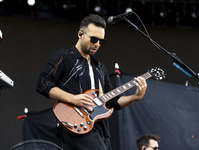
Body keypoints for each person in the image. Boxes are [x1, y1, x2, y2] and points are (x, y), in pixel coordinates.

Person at [36, 14, 147, 150]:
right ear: (80, 34)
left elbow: (113, 101)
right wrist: (73, 99)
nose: (97, 44)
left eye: (101, 41)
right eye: (93, 39)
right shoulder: (64, 56)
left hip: (100, 128)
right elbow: (42, 83)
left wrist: (135, 97)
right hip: (75, 122)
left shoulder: (99, 67)